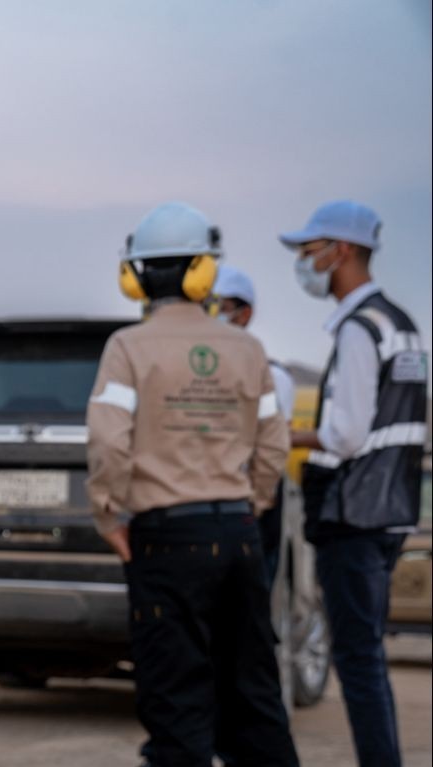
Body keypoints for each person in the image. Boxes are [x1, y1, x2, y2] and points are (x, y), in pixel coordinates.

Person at [86, 202, 298, 767]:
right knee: (255, 698)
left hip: (164, 540)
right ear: (205, 272)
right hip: (237, 536)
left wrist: (109, 515)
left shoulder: (127, 349)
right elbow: (274, 442)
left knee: (177, 703)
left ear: (134, 276)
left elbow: (109, 444)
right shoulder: (249, 350)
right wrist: (250, 502)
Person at [279, 200, 427, 767]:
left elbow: (344, 435)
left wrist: (279, 435)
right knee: (368, 657)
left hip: (355, 517)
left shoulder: (360, 330)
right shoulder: (402, 325)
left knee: (360, 661)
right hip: (390, 511)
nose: (304, 263)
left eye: (309, 251)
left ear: (341, 251)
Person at [211, 264, 297, 585]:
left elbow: (272, 447)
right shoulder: (190, 370)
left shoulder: (273, 377)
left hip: (249, 507)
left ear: (244, 314)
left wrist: (258, 503)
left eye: (219, 306)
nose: (210, 314)